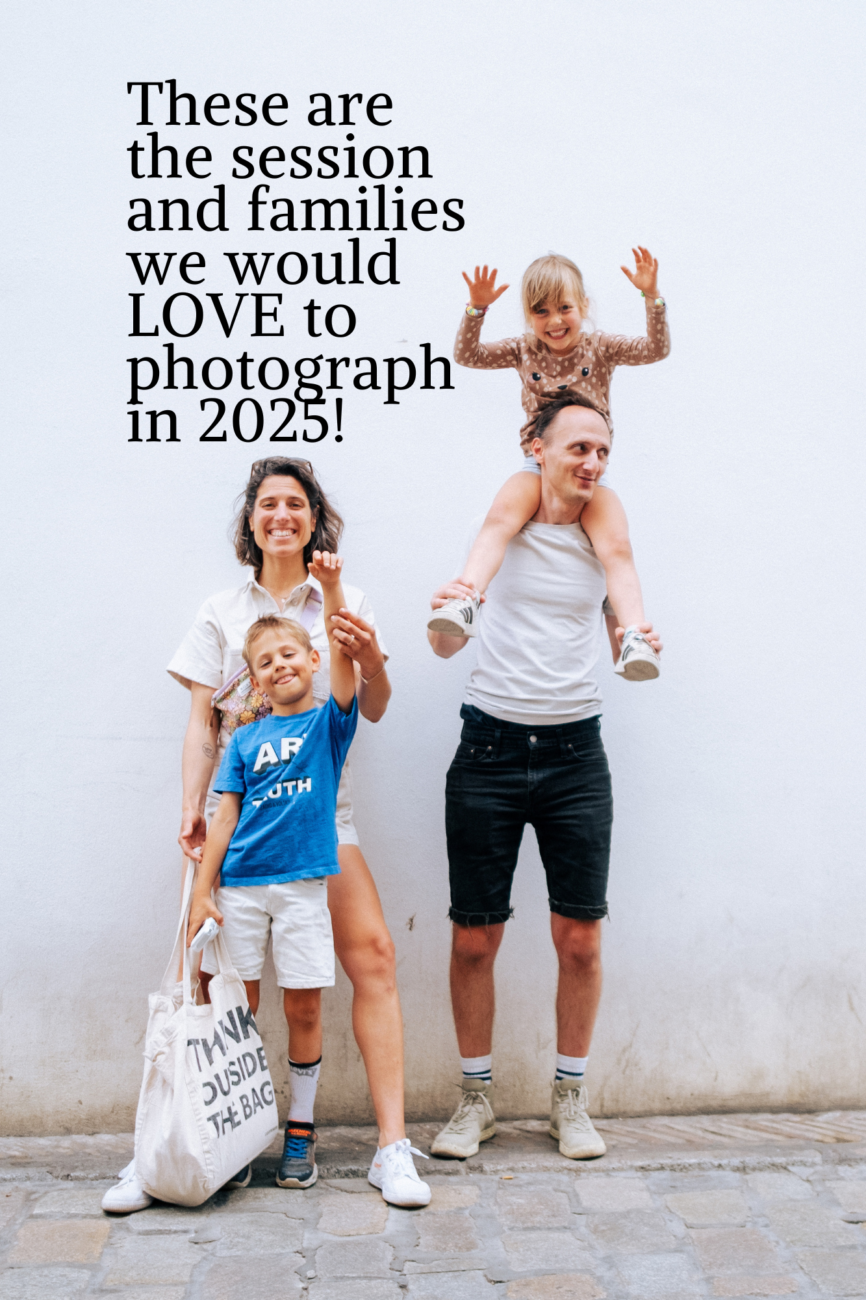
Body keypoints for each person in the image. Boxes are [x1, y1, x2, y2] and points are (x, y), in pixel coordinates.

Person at [103, 458, 429, 1213]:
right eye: (267, 504)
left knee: (373, 956)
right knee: (213, 988)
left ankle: (391, 1148)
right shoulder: (219, 609)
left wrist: (372, 655)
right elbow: (200, 723)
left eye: (296, 503)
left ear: (315, 518)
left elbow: (368, 708)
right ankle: (178, 1145)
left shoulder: (344, 599)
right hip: (241, 826)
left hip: (324, 822)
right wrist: (192, 804)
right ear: (250, 521)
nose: (281, 514)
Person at [427, 397, 662, 1162]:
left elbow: (620, 567)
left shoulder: (605, 514)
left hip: (574, 756)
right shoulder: (518, 494)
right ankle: (476, 1101)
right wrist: (465, 595)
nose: (592, 463)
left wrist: (630, 632)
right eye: (578, 448)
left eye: (603, 449)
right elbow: (494, 537)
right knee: (474, 939)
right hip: (490, 748)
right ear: (538, 446)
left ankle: (569, 1098)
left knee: (581, 938)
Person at [187, 551, 357, 1191]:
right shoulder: (244, 742)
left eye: (290, 654)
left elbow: (347, 660)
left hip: (303, 890)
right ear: (254, 682)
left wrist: (334, 586)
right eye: (265, 662)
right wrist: (204, 894)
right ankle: (240, 1130)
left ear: (311, 660)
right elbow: (223, 819)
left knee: (305, 1008)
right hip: (240, 891)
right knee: (240, 1008)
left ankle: (300, 1130)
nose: (280, 665)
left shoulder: (330, 725)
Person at [427, 249, 669, 681]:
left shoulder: (602, 346)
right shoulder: (524, 349)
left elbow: (655, 349)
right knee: (499, 520)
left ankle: (634, 635)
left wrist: (652, 298)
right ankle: (465, 599)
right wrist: (476, 309)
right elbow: (468, 355)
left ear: (584, 308)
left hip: (589, 466)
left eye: (564, 308)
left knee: (617, 547)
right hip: (535, 466)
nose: (554, 321)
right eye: (541, 312)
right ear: (528, 317)